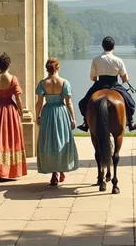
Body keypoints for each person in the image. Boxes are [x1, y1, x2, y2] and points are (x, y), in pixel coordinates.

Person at [77, 36, 136, 132]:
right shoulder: (118, 60)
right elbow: (124, 78)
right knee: (130, 102)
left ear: (103, 47)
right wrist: (124, 79)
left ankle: (85, 122)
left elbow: (92, 77)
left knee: (83, 103)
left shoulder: (96, 59)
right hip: (114, 84)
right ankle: (130, 122)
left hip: (99, 84)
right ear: (113, 47)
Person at [35, 57, 79, 186]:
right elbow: (68, 102)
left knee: (49, 141)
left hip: (48, 112)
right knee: (62, 140)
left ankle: (54, 174)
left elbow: (39, 103)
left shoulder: (43, 83)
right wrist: (73, 118)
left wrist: (38, 116)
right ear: (58, 67)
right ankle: (61, 169)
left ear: (47, 69)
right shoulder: (64, 82)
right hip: (61, 112)